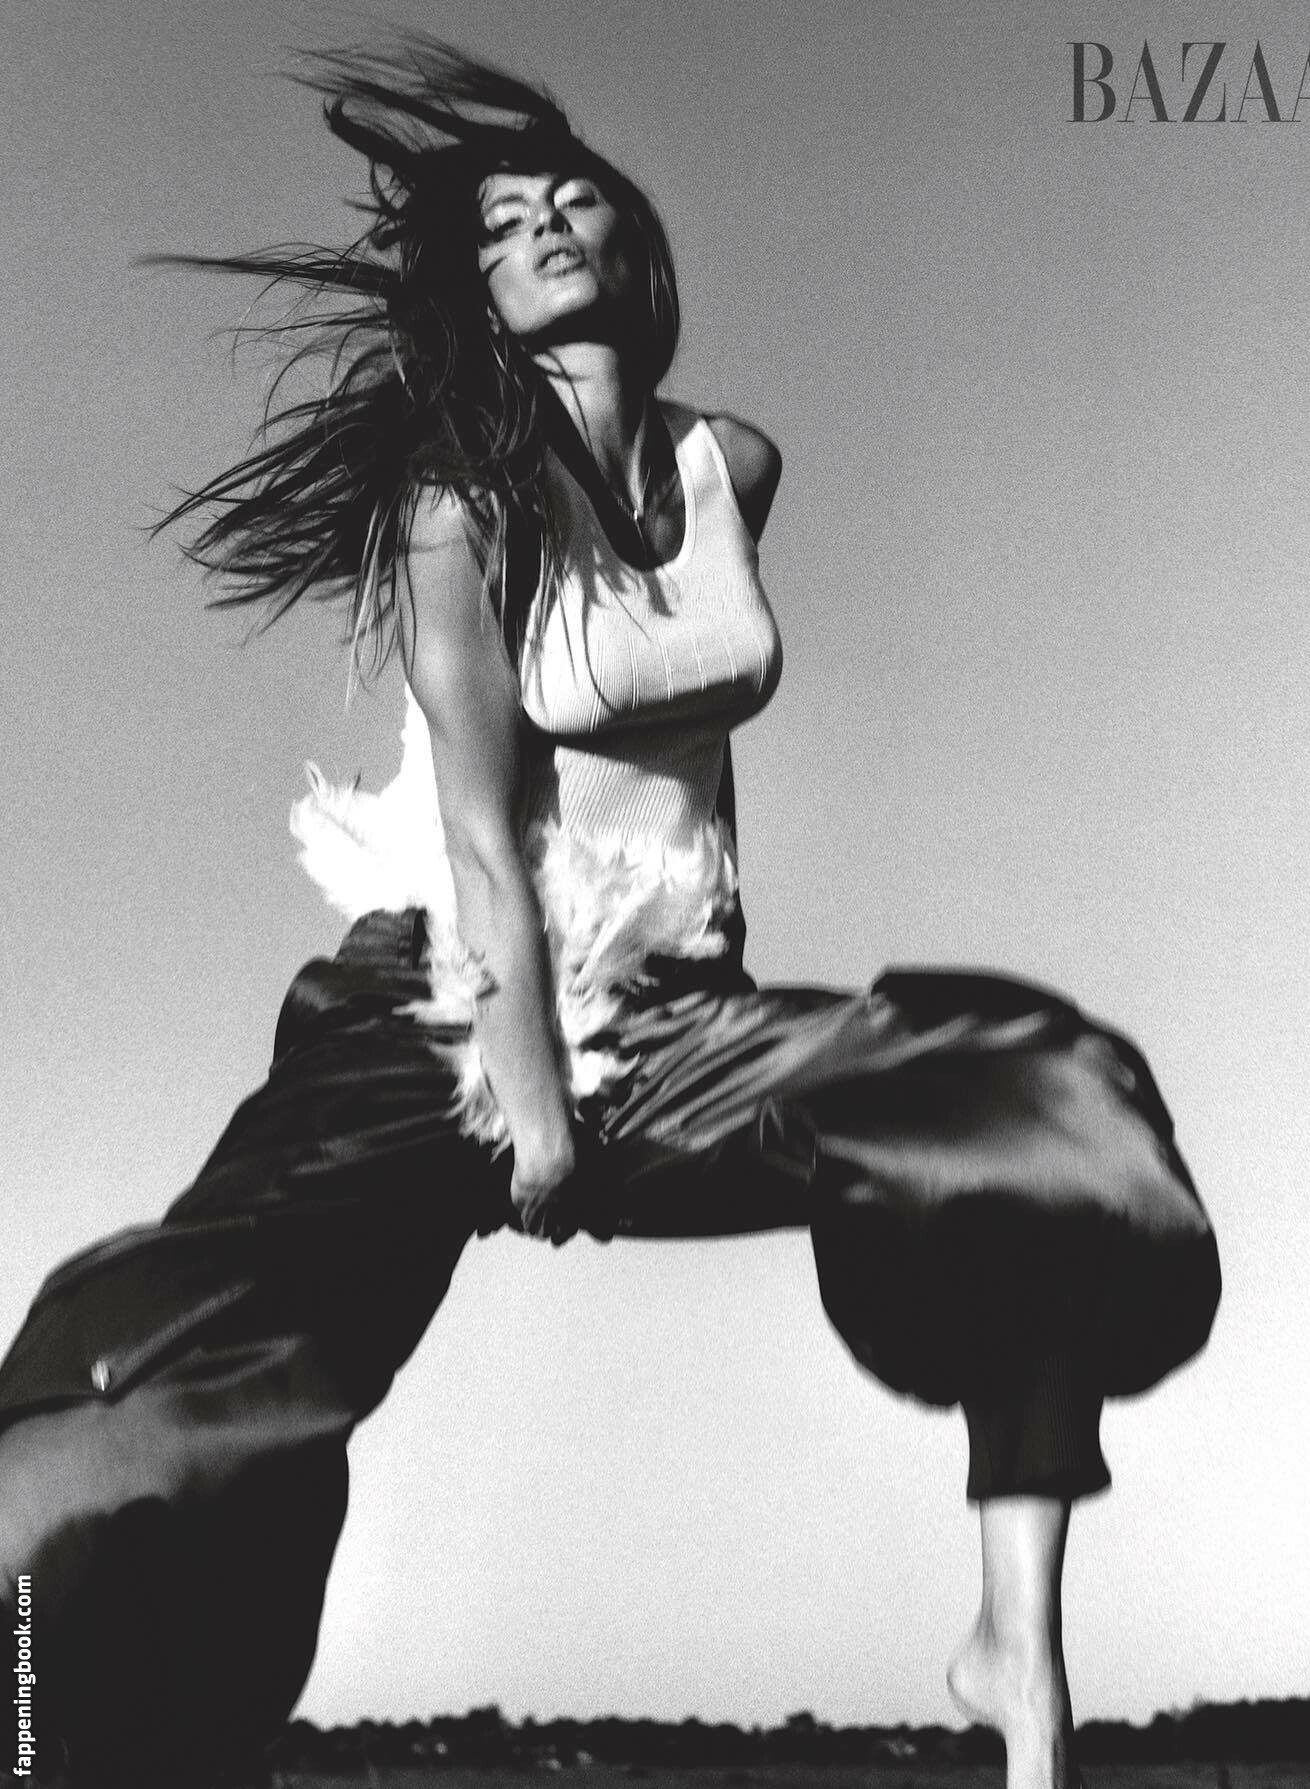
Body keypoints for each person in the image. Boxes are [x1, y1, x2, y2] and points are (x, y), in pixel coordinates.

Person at [0, 39, 1220, 1789]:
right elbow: (484, 829)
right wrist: (534, 1104)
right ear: (478, 295)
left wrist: (715, 983)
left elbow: (690, 744)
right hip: (435, 1010)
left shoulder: (733, 462)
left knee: (1051, 1104)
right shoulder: (455, 497)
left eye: (576, 202)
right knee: (163, 1409)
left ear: (633, 245)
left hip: (665, 1010)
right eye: (506, 226)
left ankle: (1014, 1651)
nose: (550, 227)